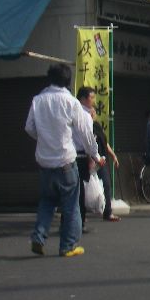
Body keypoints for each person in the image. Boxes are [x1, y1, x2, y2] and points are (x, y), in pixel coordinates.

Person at [26, 64, 103, 257]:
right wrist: (95, 154)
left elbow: (29, 127)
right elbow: (86, 133)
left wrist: (44, 139)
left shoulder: (37, 100)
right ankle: (68, 246)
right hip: (66, 161)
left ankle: (38, 237)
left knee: (47, 202)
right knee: (71, 205)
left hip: (44, 163)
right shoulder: (71, 102)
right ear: (68, 81)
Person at [76, 88, 121, 222]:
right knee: (82, 188)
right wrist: (91, 158)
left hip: (100, 159)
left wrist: (113, 155)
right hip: (86, 159)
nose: (93, 112)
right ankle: (81, 216)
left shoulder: (95, 125)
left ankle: (108, 211)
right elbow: (85, 142)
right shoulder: (79, 120)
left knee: (106, 184)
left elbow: (104, 142)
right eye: (92, 98)